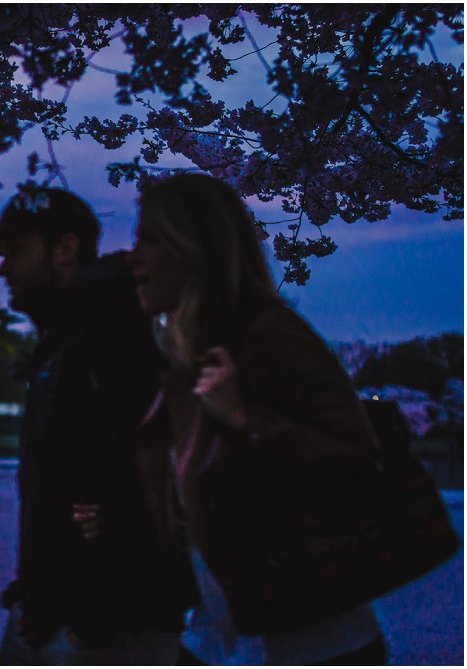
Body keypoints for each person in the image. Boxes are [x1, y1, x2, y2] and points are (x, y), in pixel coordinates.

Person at [127, 173, 387, 664]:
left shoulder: (269, 334)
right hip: (222, 637)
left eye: (149, 241)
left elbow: (360, 462)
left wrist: (246, 418)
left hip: (313, 641)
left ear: (193, 248)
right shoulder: (186, 363)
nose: (132, 257)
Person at [0, 187, 192, 664]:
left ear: (65, 249)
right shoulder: (70, 335)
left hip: (96, 626)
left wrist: (94, 608)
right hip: (56, 609)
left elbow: (143, 468)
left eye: (16, 253)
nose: (3, 270)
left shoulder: (109, 332)